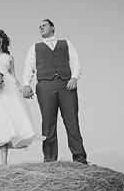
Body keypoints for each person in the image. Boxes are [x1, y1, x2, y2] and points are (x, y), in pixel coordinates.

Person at [22, 19, 88, 164]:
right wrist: (27, 84)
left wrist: (74, 78)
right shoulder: (35, 47)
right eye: (39, 26)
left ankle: (79, 157)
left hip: (67, 84)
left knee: (72, 121)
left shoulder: (67, 43)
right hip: (45, 86)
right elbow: (29, 66)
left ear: (52, 28)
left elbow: (75, 62)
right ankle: (50, 159)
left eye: (44, 25)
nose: (41, 28)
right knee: (48, 123)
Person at [0, 28, 45, 166]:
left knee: (5, 125)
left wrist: (23, 89)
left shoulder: (9, 58)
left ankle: (4, 163)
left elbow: (13, 76)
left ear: (1, 38)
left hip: (6, 93)